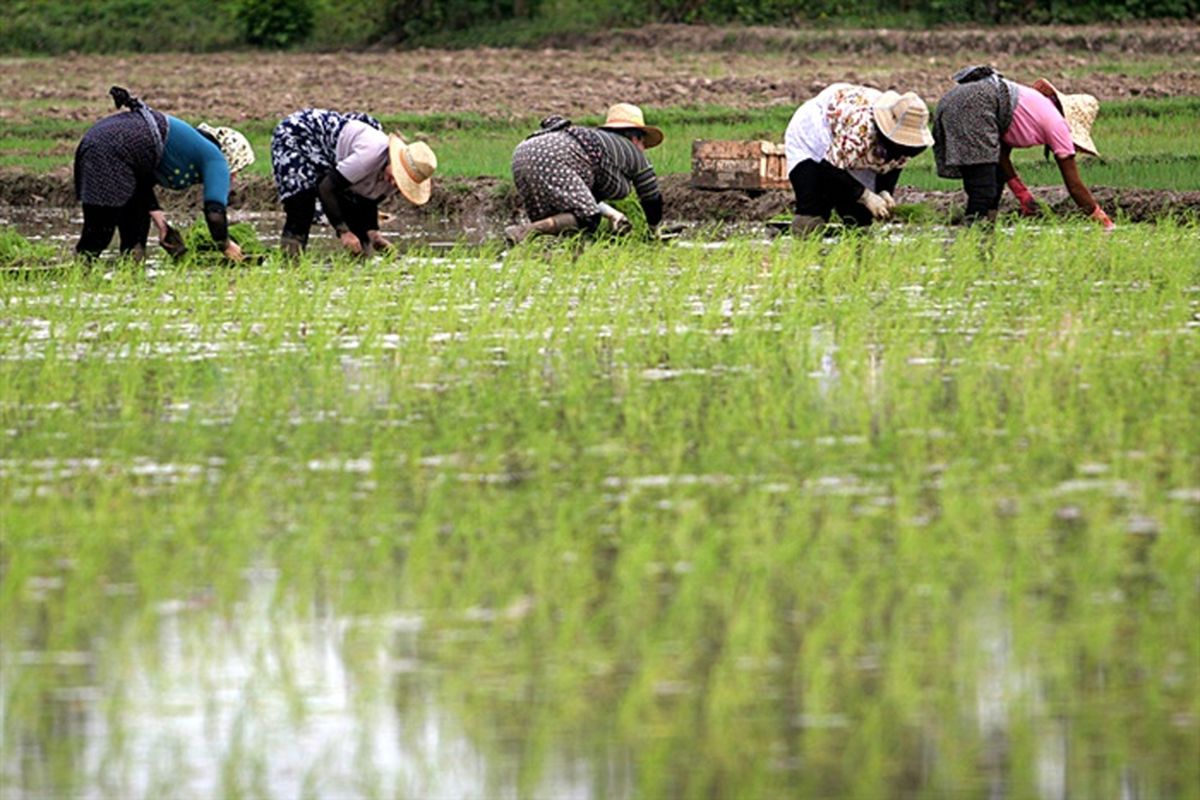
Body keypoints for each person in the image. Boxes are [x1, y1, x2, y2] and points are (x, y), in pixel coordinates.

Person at [74, 86, 254, 261]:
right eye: (237, 170)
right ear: (232, 157)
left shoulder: (187, 147)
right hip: (110, 149)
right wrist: (226, 245)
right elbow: (215, 212)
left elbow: (140, 185)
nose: (234, 177)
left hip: (96, 142)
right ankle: (83, 273)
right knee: (101, 229)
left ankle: (127, 271)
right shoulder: (216, 158)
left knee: (133, 222)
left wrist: (163, 226)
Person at [933, 66, 1114, 229]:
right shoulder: (1058, 125)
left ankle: (986, 229)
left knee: (993, 180)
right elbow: (1074, 185)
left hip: (951, 98)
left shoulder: (1035, 105)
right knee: (983, 189)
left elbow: (999, 154)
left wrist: (1022, 193)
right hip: (976, 103)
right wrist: (1101, 218)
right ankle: (973, 238)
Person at [270, 108, 437, 257]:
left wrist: (374, 235)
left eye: (403, 182)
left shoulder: (391, 179)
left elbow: (365, 200)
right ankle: (290, 264)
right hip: (301, 134)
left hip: (337, 158)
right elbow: (327, 188)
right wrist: (343, 232)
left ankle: (358, 272)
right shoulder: (369, 156)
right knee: (301, 206)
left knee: (361, 237)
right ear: (394, 159)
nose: (395, 183)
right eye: (399, 176)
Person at [784, 84, 933, 235]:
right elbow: (830, 169)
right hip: (814, 135)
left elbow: (894, 166)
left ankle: (859, 254)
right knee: (813, 206)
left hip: (851, 147)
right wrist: (866, 196)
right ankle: (806, 249)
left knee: (860, 215)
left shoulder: (905, 144)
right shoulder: (861, 131)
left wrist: (884, 191)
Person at [506, 103, 664, 244]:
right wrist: (653, 232)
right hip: (554, 155)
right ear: (636, 138)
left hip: (523, 152)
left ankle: (555, 256)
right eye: (643, 142)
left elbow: (584, 198)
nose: (644, 148)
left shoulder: (600, 145)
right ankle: (525, 231)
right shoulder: (633, 152)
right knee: (588, 218)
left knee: (561, 219)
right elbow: (652, 198)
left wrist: (613, 215)